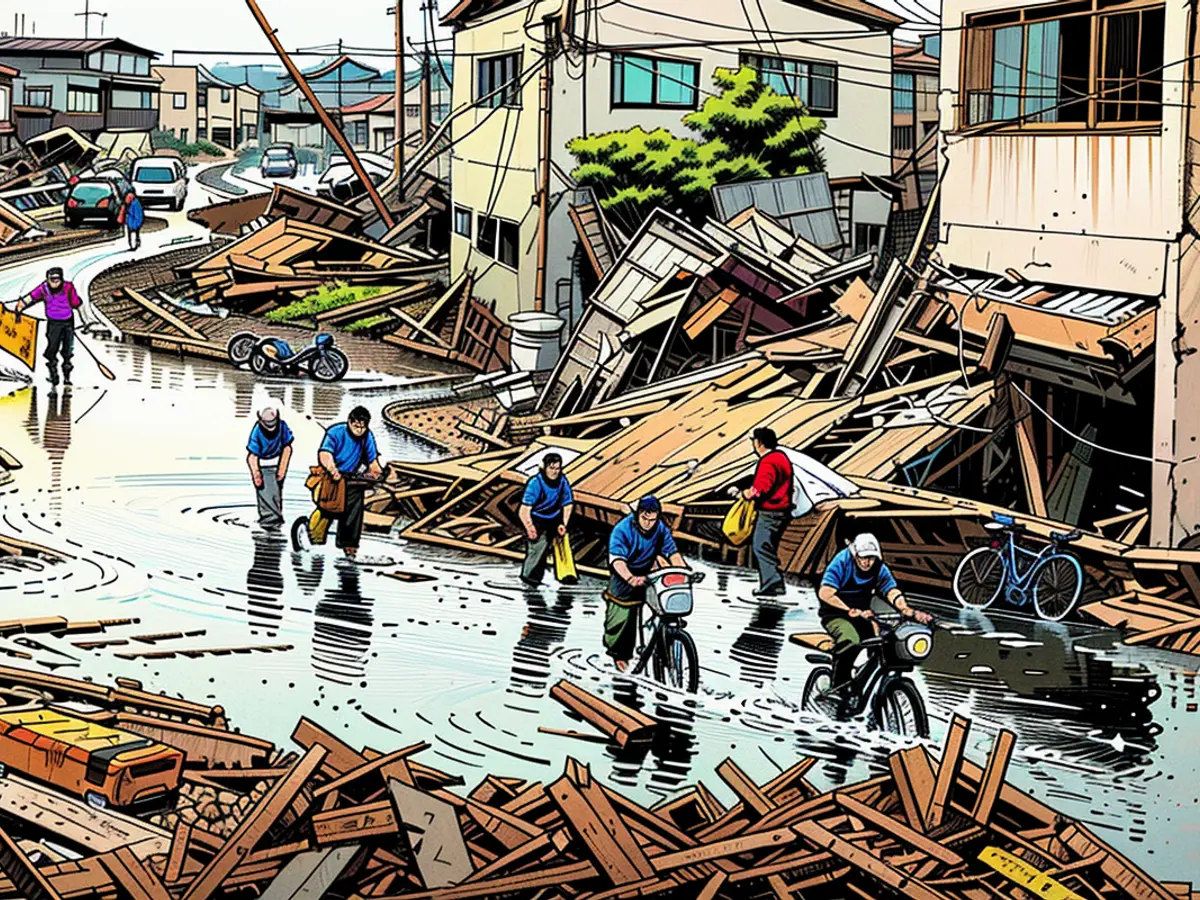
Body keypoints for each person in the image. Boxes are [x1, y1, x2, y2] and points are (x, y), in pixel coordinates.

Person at [818, 533, 933, 711]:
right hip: (836, 613)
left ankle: (870, 689)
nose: (867, 563)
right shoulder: (841, 561)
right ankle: (838, 686)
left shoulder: (879, 568)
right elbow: (825, 592)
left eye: (871, 558)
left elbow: (891, 590)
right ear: (855, 555)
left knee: (883, 641)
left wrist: (906, 610)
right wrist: (849, 610)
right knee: (850, 640)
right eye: (863, 558)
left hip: (865, 614)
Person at [604, 496, 687, 671]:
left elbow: (672, 552)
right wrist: (630, 578)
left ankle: (664, 647)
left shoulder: (660, 529)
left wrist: (683, 571)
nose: (648, 523)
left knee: (666, 606)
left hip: (648, 574)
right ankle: (621, 655)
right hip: (624, 576)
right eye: (645, 518)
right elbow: (617, 560)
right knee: (622, 619)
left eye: (653, 519)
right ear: (638, 515)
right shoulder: (623, 529)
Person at [309, 405, 382, 559]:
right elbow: (325, 453)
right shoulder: (336, 432)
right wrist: (332, 469)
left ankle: (349, 547)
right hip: (332, 475)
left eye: (362, 427)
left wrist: (375, 473)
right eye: (356, 426)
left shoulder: (367, 436)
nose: (359, 430)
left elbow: (373, 460)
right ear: (350, 421)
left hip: (352, 478)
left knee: (354, 509)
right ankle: (313, 540)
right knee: (327, 509)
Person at [737, 427, 794, 597]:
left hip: (771, 510)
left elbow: (761, 489)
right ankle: (773, 582)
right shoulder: (781, 457)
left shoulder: (768, 461)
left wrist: (745, 493)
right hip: (782, 509)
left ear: (759, 442)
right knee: (767, 546)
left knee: (761, 545)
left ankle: (772, 583)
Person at [8, 268, 83, 387]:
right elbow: (30, 298)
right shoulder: (43, 289)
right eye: (52, 279)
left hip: (68, 322)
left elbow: (74, 302)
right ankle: (54, 375)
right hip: (53, 323)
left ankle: (66, 377)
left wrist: (78, 302)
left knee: (67, 351)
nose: (55, 282)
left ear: (61, 279)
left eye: (57, 279)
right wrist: (20, 307)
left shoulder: (68, 287)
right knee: (53, 350)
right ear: (47, 279)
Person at [518, 453, 574, 587]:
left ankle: (566, 575)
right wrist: (530, 527)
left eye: (557, 469)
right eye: (551, 468)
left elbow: (568, 503)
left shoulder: (562, 481)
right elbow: (524, 510)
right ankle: (529, 578)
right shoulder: (535, 483)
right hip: (537, 518)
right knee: (538, 548)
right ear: (545, 468)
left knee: (562, 543)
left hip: (554, 518)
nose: (554, 472)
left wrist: (563, 524)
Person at [246, 407, 294, 528]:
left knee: (276, 493)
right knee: (265, 494)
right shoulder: (256, 431)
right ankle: (268, 521)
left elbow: (287, 448)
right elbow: (252, 456)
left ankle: (276, 521)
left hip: (278, 462)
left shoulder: (282, 426)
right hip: (262, 465)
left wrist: (282, 470)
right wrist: (256, 475)